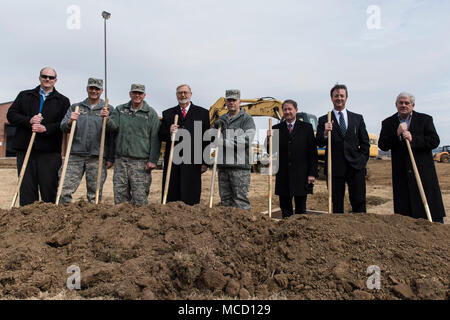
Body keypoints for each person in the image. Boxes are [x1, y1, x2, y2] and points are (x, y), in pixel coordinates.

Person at [378, 92, 446, 223]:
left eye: (406, 103)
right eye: (401, 103)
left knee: (429, 207)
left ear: (412, 105)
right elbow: (383, 145)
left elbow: (434, 141)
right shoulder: (388, 123)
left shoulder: (425, 119)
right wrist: (397, 134)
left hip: (423, 172)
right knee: (405, 213)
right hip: (401, 172)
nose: (403, 105)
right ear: (396, 104)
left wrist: (413, 138)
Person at [7, 67, 70, 206]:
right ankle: (27, 221)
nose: (47, 79)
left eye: (51, 77)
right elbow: (11, 115)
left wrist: (45, 128)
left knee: (49, 189)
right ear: (40, 77)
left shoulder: (63, 101)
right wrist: (29, 120)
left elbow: (64, 125)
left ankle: (49, 223)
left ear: (56, 80)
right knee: (27, 189)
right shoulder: (24, 96)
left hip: (49, 152)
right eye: (44, 76)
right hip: (26, 150)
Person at [100, 84, 160, 205]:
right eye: (134, 93)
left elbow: (155, 138)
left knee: (139, 197)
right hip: (121, 160)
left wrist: (153, 160)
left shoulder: (151, 113)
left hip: (141, 163)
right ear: (130, 94)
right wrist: (106, 119)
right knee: (120, 196)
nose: (137, 95)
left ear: (144, 95)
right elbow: (113, 126)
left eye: (140, 93)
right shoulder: (120, 110)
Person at [59, 78, 115, 203]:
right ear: (87, 89)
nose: (94, 91)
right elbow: (63, 127)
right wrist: (70, 121)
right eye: (91, 88)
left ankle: (91, 220)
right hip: (75, 155)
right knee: (63, 190)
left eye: (97, 89)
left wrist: (110, 158)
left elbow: (113, 134)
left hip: (97, 157)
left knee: (94, 194)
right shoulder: (76, 107)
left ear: (101, 91)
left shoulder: (108, 109)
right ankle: (64, 217)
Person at [316, 84, 370, 213]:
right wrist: (324, 132)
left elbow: (365, 142)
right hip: (335, 167)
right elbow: (319, 142)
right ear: (331, 98)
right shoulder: (324, 119)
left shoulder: (357, 118)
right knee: (336, 202)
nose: (339, 98)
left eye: (341, 96)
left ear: (346, 98)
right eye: (336, 96)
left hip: (355, 167)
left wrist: (362, 160)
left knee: (359, 200)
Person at [158, 84, 210, 205]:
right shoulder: (168, 114)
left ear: (190, 94)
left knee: (191, 195)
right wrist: (169, 131)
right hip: (173, 162)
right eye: (180, 93)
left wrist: (206, 162)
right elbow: (161, 135)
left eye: (185, 92)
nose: (183, 95)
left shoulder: (202, 113)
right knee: (172, 194)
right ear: (176, 95)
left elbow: (207, 140)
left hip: (193, 162)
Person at [267, 99, 318, 218]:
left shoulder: (307, 128)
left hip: (301, 174)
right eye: (285, 109)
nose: (287, 112)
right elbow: (271, 152)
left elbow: (312, 153)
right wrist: (269, 140)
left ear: (296, 110)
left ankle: (301, 231)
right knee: (285, 208)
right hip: (283, 175)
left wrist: (312, 173)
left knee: (301, 208)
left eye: (290, 109)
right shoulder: (276, 128)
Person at [213, 89, 256, 210]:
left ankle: (242, 228)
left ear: (240, 102)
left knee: (240, 202)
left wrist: (223, 142)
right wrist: (214, 128)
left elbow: (246, 140)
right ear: (225, 102)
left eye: (234, 100)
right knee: (225, 202)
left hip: (239, 168)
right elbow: (211, 137)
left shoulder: (246, 119)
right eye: (229, 100)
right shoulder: (222, 119)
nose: (231, 102)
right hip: (223, 167)